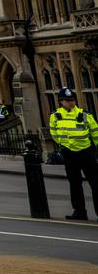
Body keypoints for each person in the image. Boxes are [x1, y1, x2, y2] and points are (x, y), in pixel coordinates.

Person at [47, 87, 98, 220]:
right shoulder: (55, 116)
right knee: (75, 184)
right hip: (69, 154)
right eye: (67, 100)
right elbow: (54, 134)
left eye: (72, 100)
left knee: (95, 183)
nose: (71, 102)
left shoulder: (85, 115)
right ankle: (79, 212)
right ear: (61, 101)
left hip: (86, 152)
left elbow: (95, 133)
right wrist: (65, 146)